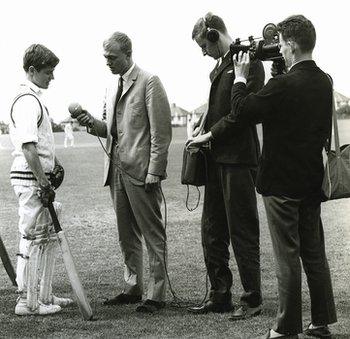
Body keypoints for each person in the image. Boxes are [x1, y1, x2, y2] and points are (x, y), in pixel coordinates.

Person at [187, 15, 337, 338]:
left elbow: (242, 111)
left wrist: (240, 78)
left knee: (287, 257)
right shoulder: (325, 81)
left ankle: (285, 329)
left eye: (281, 44)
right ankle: (321, 322)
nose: (278, 49)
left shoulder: (282, 85)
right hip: (311, 181)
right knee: (314, 254)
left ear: (292, 45)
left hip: (282, 184)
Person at [75, 32, 172, 313]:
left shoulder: (149, 82)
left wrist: (155, 170)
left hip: (142, 172)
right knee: (125, 235)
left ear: (128, 54)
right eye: (105, 57)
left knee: (152, 234)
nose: (107, 62)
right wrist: (90, 122)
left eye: (111, 57)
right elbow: (108, 130)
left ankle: (156, 295)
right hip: (115, 171)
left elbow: (161, 132)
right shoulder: (110, 86)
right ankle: (132, 288)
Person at [187, 13, 265, 319]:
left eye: (203, 45)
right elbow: (220, 107)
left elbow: (244, 113)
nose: (203, 53)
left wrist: (210, 133)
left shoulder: (250, 62)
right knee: (212, 230)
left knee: (243, 231)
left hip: (239, 160)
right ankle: (220, 294)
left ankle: (252, 299)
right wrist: (201, 124)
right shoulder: (222, 66)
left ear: (214, 35)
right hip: (218, 160)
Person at [9, 44, 72, 315]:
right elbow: (28, 147)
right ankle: (27, 301)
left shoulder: (34, 98)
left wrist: (53, 166)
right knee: (33, 237)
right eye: (49, 72)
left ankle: (43, 294)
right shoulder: (26, 100)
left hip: (37, 177)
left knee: (44, 237)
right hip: (29, 179)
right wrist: (42, 181)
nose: (52, 77)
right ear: (32, 71)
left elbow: (41, 145)